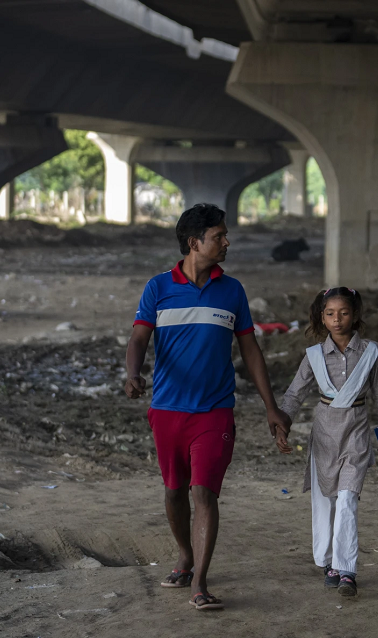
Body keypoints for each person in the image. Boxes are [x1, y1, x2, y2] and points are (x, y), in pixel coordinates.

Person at [125, 203, 291, 611]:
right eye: (218, 236)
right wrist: (132, 373)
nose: (226, 242)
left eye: (224, 234)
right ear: (193, 242)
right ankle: (185, 554)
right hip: (166, 408)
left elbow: (250, 350)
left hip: (215, 411)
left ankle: (199, 580)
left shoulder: (232, 290)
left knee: (204, 492)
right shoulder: (158, 288)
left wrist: (272, 407)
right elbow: (138, 340)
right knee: (173, 491)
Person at [275, 286, 378, 599]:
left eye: (344, 313)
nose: (337, 319)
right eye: (330, 314)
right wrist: (281, 425)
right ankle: (328, 561)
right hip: (324, 436)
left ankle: (346, 571)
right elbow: (294, 394)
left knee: (347, 501)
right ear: (321, 317)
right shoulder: (314, 356)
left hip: (356, 434)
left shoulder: (370, 353)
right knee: (325, 500)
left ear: (355, 315)